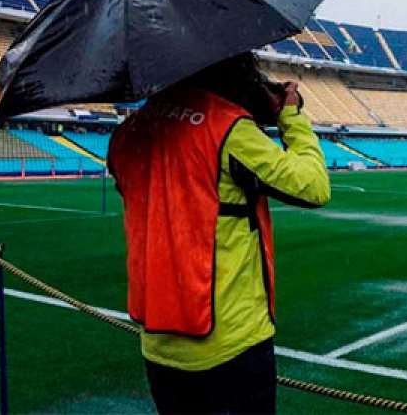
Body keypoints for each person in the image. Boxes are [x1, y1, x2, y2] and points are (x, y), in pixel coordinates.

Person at [107, 52, 330, 414]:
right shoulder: (227, 127)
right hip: (230, 342)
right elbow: (313, 187)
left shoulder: (129, 130)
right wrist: (290, 116)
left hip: (159, 342)